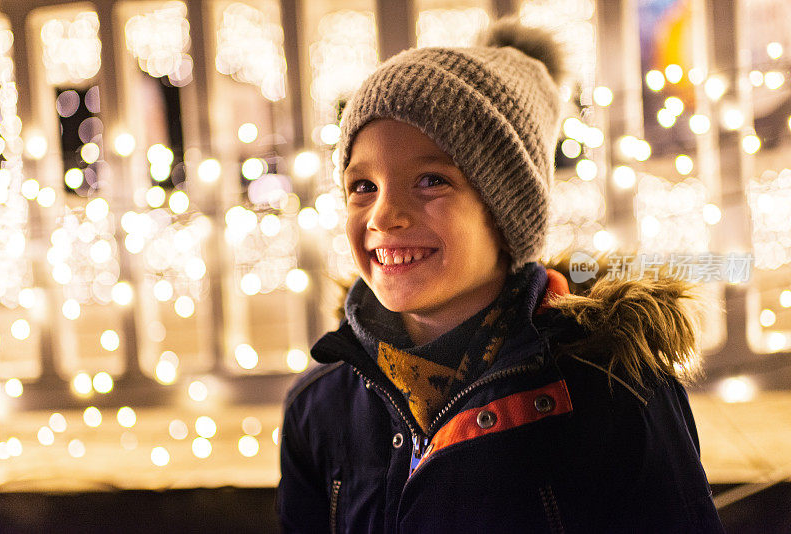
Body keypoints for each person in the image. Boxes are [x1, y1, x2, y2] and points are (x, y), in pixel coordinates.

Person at [277, 18, 725, 533]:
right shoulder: (319, 407)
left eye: (431, 180)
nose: (383, 215)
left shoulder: (614, 389)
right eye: (362, 186)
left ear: (507, 210)